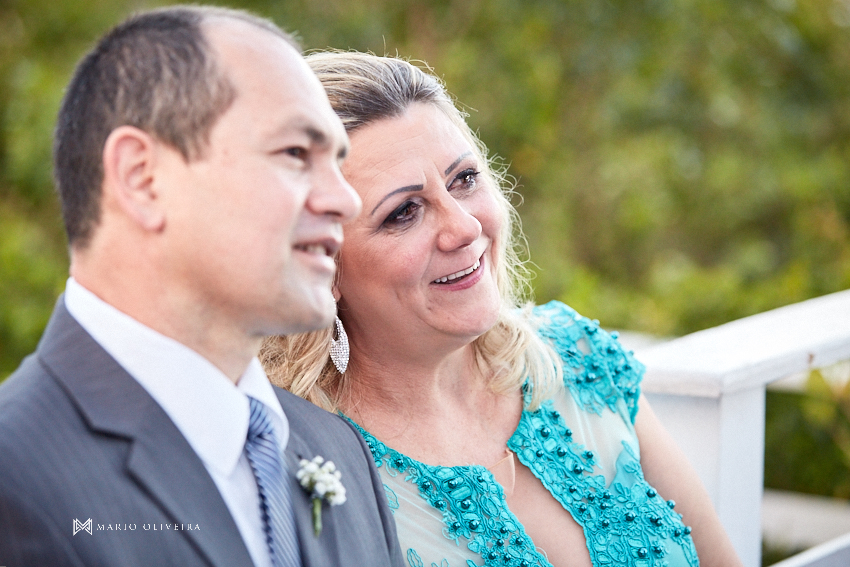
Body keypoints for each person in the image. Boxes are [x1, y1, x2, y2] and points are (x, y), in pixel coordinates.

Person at [260, 52, 743, 567]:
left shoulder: (578, 357)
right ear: (320, 263)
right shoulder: (303, 473)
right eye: (404, 212)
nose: (465, 227)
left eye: (464, 179)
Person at [0, 9, 404, 567]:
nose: (345, 200)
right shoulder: (15, 473)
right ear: (142, 177)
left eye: (336, 161)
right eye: (294, 154)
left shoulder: (339, 451)